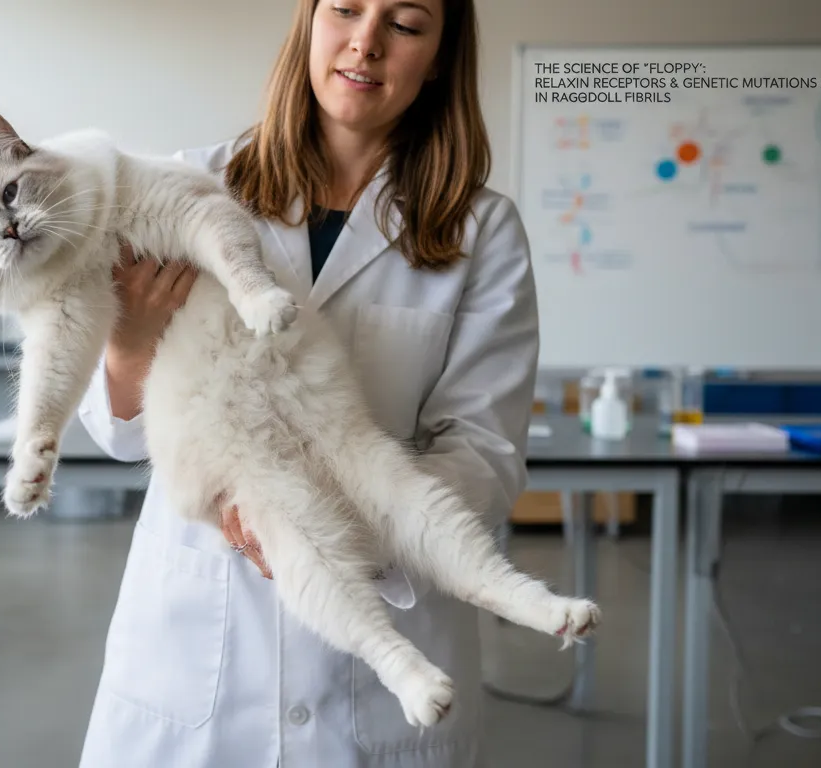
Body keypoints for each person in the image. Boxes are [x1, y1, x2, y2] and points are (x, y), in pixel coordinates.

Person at [75, 0, 539, 765]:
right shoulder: (191, 182)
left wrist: (346, 536)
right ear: (309, 23)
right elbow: (121, 437)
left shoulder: (481, 231)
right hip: (195, 659)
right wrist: (128, 344)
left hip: (380, 654)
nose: (366, 42)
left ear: (439, 58)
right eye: (346, 9)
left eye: (406, 24)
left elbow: (483, 450)